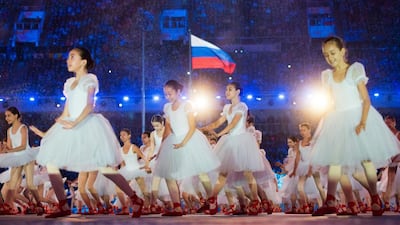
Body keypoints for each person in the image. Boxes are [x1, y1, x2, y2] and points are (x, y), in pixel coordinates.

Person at [33, 47, 143, 218]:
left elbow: (89, 105)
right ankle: (63, 205)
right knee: (51, 163)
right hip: (71, 125)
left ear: (83, 61)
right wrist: (50, 131)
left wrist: (75, 123)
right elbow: (66, 112)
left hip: (87, 125)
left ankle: (135, 198)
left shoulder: (90, 79)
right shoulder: (69, 84)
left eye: (72, 57)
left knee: (105, 168)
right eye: (68, 57)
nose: (68, 60)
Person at [310, 36, 400, 217]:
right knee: (335, 161)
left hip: (358, 117)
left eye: (333, 53)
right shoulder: (326, 76)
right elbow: (330, 103)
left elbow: (366, 100)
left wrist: (362, 123)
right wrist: (326, 123)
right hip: (337, 119)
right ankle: (330, 201)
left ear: (343, 51)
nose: (330, 58)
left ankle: (375, 198)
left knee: (366, 161)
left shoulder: (354, 70)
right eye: (326, 55)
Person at [153, 80, 220, 216]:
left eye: (170, 93)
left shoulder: (187, 105)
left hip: (190, 139)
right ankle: (177, 207)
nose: (168, 97)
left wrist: (184, 142)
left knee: (201, 172)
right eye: (166, 94)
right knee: (169, 175)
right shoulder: (167, 107)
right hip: (174, 140)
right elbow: (167, 129)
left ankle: (212, 200)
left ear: (178, 92)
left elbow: (192, 126)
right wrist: (160, 149)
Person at [201, 82, 267, 216]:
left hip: (242, 141)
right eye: (226, 89)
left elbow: (234, 123)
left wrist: (219, 134)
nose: (227, 91)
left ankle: (255, 201)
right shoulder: (227, 107)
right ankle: (212, 200)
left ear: (237, 92)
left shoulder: (242, 106)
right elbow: (218, 122)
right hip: (230, 141)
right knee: (222, 174)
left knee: (248, 174)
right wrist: (204, 128)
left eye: (230, 89)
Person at [0, 107, 43, 215]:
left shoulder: (23, 127)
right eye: (6, 116)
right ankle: (9, 206)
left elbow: (23, 146)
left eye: (9, 115)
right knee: (12, 184)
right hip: (16, 158)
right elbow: (9, 146)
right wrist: (5, 149)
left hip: (26, 156)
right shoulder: (9, 130)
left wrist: (11, 150)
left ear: (16, 116)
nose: (6, 118)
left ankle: (39, 204)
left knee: (29, 183)